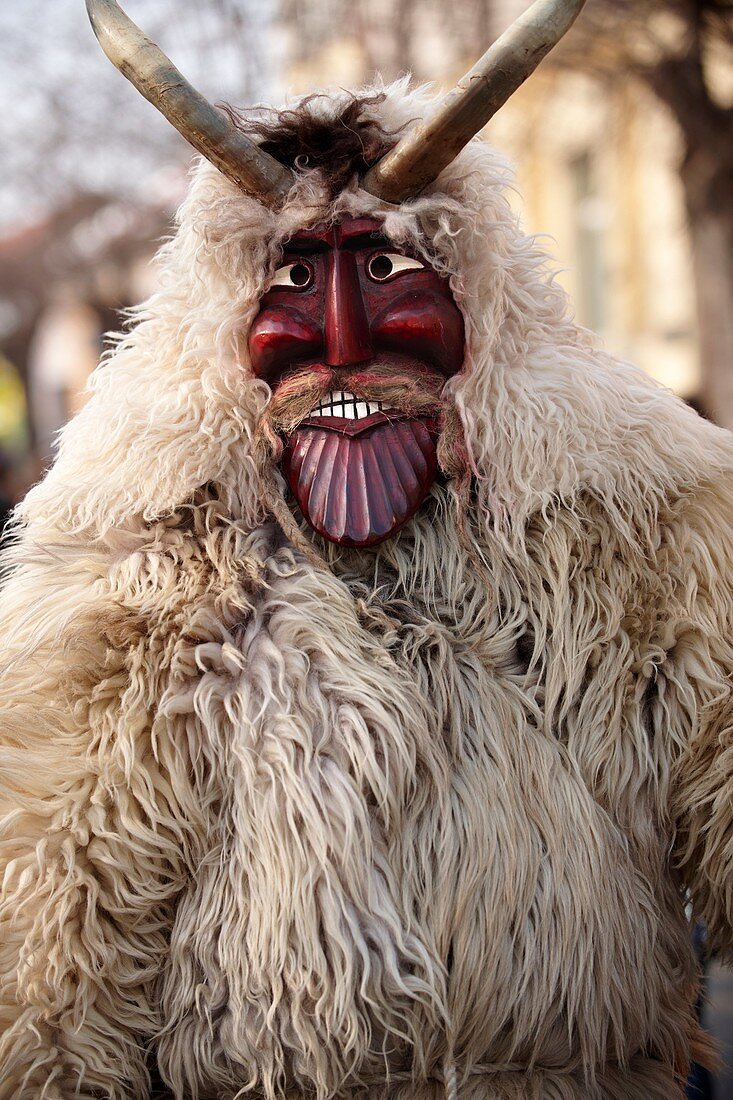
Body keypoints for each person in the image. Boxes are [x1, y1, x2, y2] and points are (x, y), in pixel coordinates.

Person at [2, 2, 732, 1097]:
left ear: (477, 304)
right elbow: (60, 916)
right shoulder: (144, 557)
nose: (341, 340)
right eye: (292, 282)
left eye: (389, 274)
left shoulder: (623, 527)